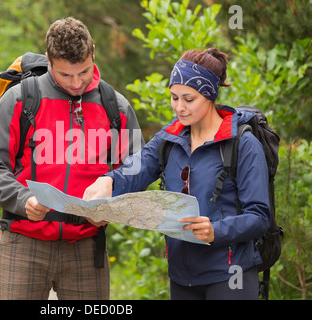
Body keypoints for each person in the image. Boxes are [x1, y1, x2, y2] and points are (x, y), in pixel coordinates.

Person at [0, 17, 143, 300]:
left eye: (84, 72)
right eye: (66, 75)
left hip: (88, 247)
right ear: (50, 62)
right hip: (24, 241)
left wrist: (111, 204)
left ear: (93, 53)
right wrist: (22, 199)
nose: (76, 83)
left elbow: (138, 168)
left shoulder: (117, 107)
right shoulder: (20, 99)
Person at [84, 48, 271, 300]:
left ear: (210, 95)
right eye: (174, 97)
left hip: (230, 274)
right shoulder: (169, 138)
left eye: (188, 99)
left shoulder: (243, 144)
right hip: (182, 277)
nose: (179, 107)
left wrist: (216, 231)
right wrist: (108, 181)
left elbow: (259, 217)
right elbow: (136, 169)